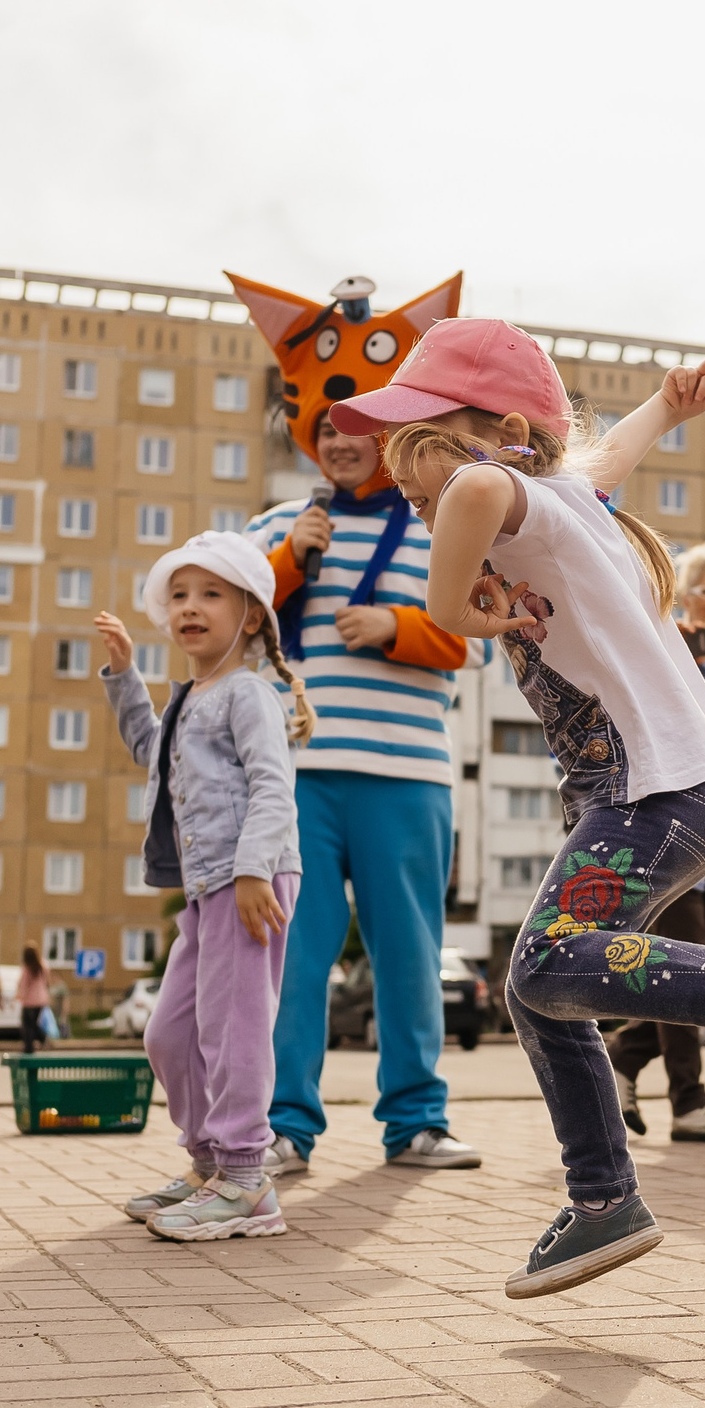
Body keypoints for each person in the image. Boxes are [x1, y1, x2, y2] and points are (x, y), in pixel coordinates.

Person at [353, 319, 705, 1298]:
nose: (414, 495)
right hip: (667, 792)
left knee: (541, 960)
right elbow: (597, 456)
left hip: (647, 786)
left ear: (499, 437)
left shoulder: (503, 490)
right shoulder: (568, 495)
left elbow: (482, 489)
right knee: (540, 987)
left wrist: (452, 610)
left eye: (419, 463)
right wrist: (665, 406)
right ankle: (604, 1198)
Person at [249, 404, 481, 1176]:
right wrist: (289, 558)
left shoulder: (441, 521)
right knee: (293, 959)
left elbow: (482, 636)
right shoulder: (278, 522)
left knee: (411, 957)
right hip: (296, 776)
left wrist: (396, 627)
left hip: (408, 773)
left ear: (389, 437)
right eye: (324, 431)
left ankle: (416, 1122)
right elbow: (233, 620)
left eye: (355, 429)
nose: (338, 443)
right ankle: (281, 1126)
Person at [101, 532, 311, 1241]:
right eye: (180, 595)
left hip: (251, 880)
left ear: (250, 616)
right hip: (205, 887)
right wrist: (124, 675)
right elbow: (149, 749)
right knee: (169, 1034)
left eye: (211, 594)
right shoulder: (190, 698)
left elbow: (273, 786)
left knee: (233, 1029)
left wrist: (254, 870)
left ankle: (247, 1179)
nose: (190, 606)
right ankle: (208, 1165)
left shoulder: (248, 694)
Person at [610, 542, 705, 1144]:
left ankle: (623, 1055)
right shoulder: (665, 645)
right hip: (672, 828)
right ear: (684, 593)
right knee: (682, 970)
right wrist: (676, 646)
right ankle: (689, 1103)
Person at [16, 948, 51, 1056]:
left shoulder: (27, 968)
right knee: (34, 1023)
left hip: (29, 1001)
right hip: (41, 1000)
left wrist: (20, 995)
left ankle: (29, 1047)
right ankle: (42, 1038)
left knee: (27, 1025)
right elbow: (47, 981)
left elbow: (24, 984)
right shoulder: (43, 966)